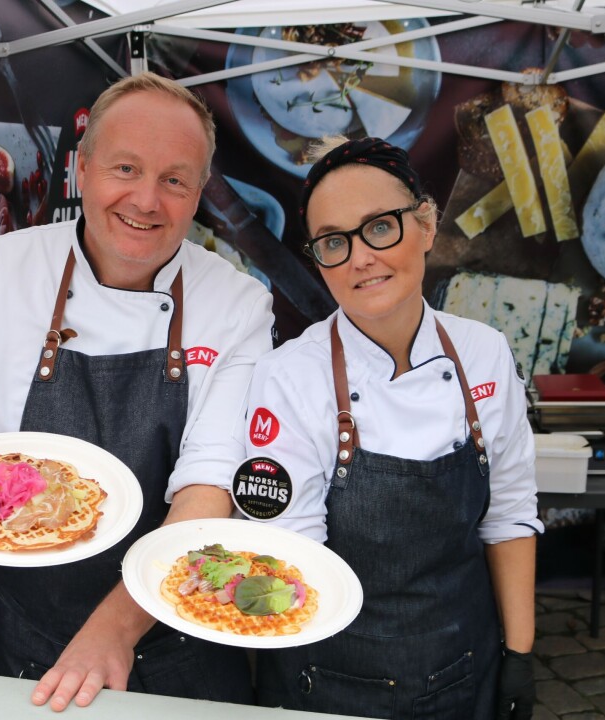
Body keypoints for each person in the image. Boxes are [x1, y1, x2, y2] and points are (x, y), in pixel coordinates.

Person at [0, 72, 273, 710]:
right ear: (82, 166)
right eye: (125, 167)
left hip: (183, 629)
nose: (147, 201)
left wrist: (113, 631)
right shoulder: (2, 268)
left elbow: (211, 486)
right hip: (31, 632)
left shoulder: (237, 303)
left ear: (200, 192)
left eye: (175, 180)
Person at [240, 136, 542, 720]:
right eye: (334, 241)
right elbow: (289, 556)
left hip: (464, 668)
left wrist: (520, 656)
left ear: (427, 225)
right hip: (325, 682)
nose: (360, 258)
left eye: (380, 227)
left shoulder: (483, 353)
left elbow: (508, 516)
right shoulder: (288, 377)